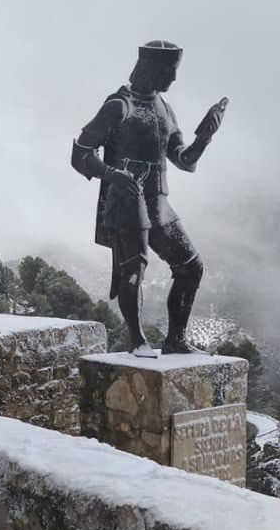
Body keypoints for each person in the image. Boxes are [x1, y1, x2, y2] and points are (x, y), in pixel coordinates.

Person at [69, 40, 228, 356]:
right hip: (127, 199)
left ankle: (176, 340)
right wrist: (113, 174)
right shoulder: (119, 105)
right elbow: (81, 153)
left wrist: (204, 137)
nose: (173, 79)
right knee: (133, 270)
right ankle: (137, 340)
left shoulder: (165, 109)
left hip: (159, 201)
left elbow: (184, 161)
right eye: (169, 71)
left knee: (190, 267)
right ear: (152, 70)